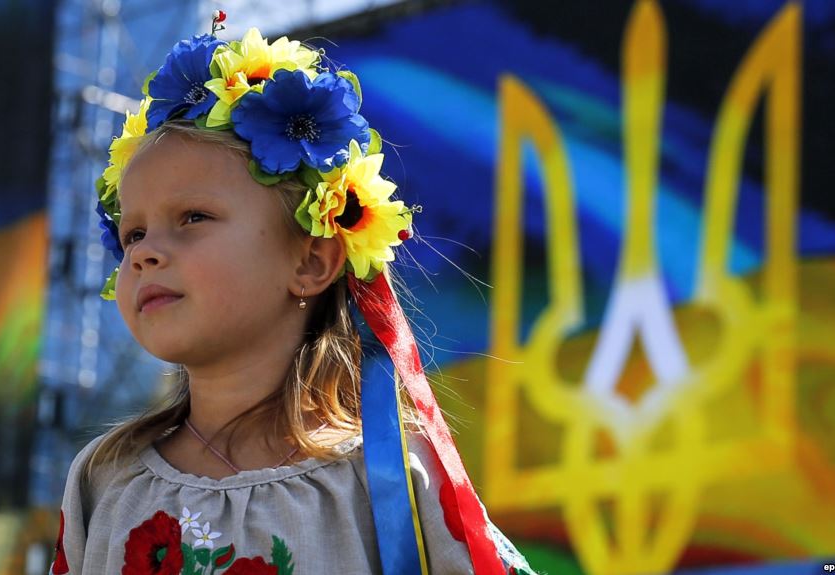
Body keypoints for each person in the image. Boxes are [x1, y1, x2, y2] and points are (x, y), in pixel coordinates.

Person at [51, 18, 537, 575]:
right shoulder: (105, 478)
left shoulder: (389, 477)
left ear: (310, 262)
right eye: (133, 233)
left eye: (193, 217)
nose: (144, 253)